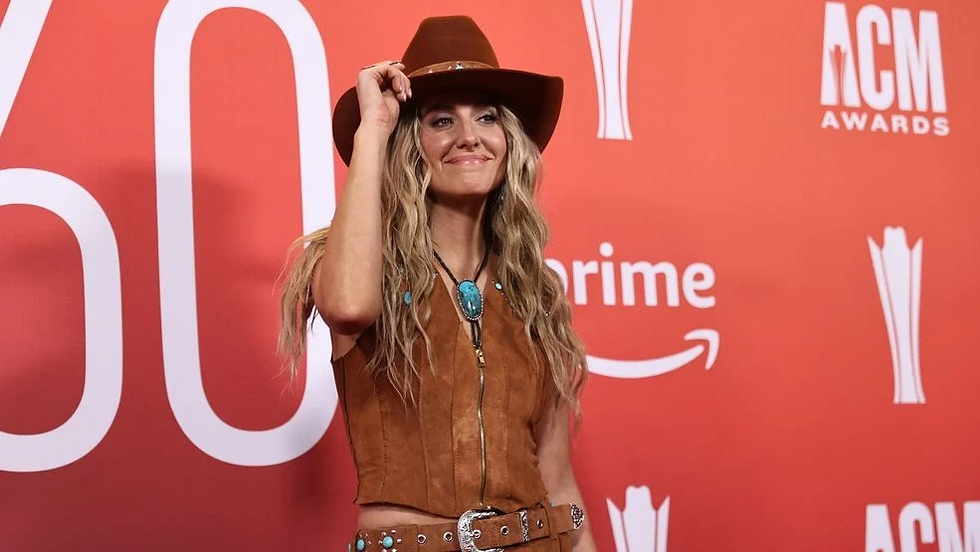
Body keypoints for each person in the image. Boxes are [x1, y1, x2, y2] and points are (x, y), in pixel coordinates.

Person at [278, 15, 596, 552]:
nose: (469, 136)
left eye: (487, 117)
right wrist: (374, 128)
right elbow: (350, 307)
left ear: (508, 140)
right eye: (441, 121)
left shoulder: (535, 292)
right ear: (410, 143)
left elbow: (560, 482)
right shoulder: (358, 265)